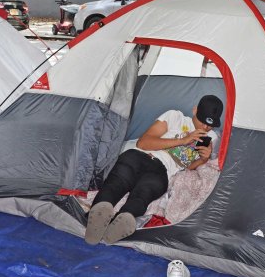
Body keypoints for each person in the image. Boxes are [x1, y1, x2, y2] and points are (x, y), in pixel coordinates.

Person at [85, 95, 224, 245]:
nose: (205, 127)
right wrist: (183, 140)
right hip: (139, 156)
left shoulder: (211, 137)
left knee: (143, 195)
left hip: (162, 170)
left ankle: (124, 219)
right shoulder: (175, 117)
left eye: (211, 124)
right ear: (195, 109)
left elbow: (186, 166)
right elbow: (143, 142)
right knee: (117, 183)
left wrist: (203, 159)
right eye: (203, 120)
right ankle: (101, 210)